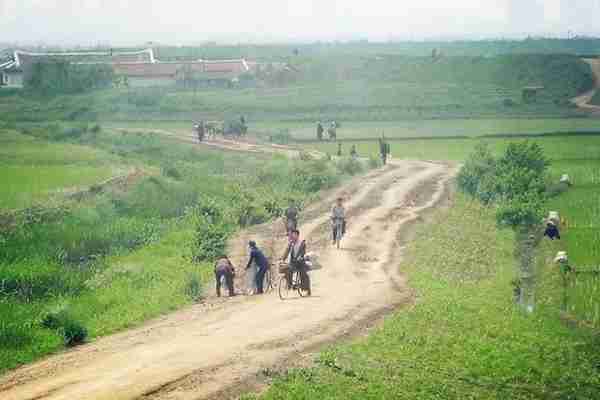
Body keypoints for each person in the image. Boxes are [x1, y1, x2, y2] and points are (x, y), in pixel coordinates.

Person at [281, 229, 311, 295]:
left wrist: (300, 257)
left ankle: (307, 290)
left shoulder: (302, 243)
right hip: (293, 262)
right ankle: (290, 284)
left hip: (301, 262)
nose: (293, 236)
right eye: (292, 235)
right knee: (287, 270)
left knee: (303, 275)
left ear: (297, 235)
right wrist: (282, 258)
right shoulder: (291, 243)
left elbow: (302, 252)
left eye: (294, 235)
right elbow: (286, 251)